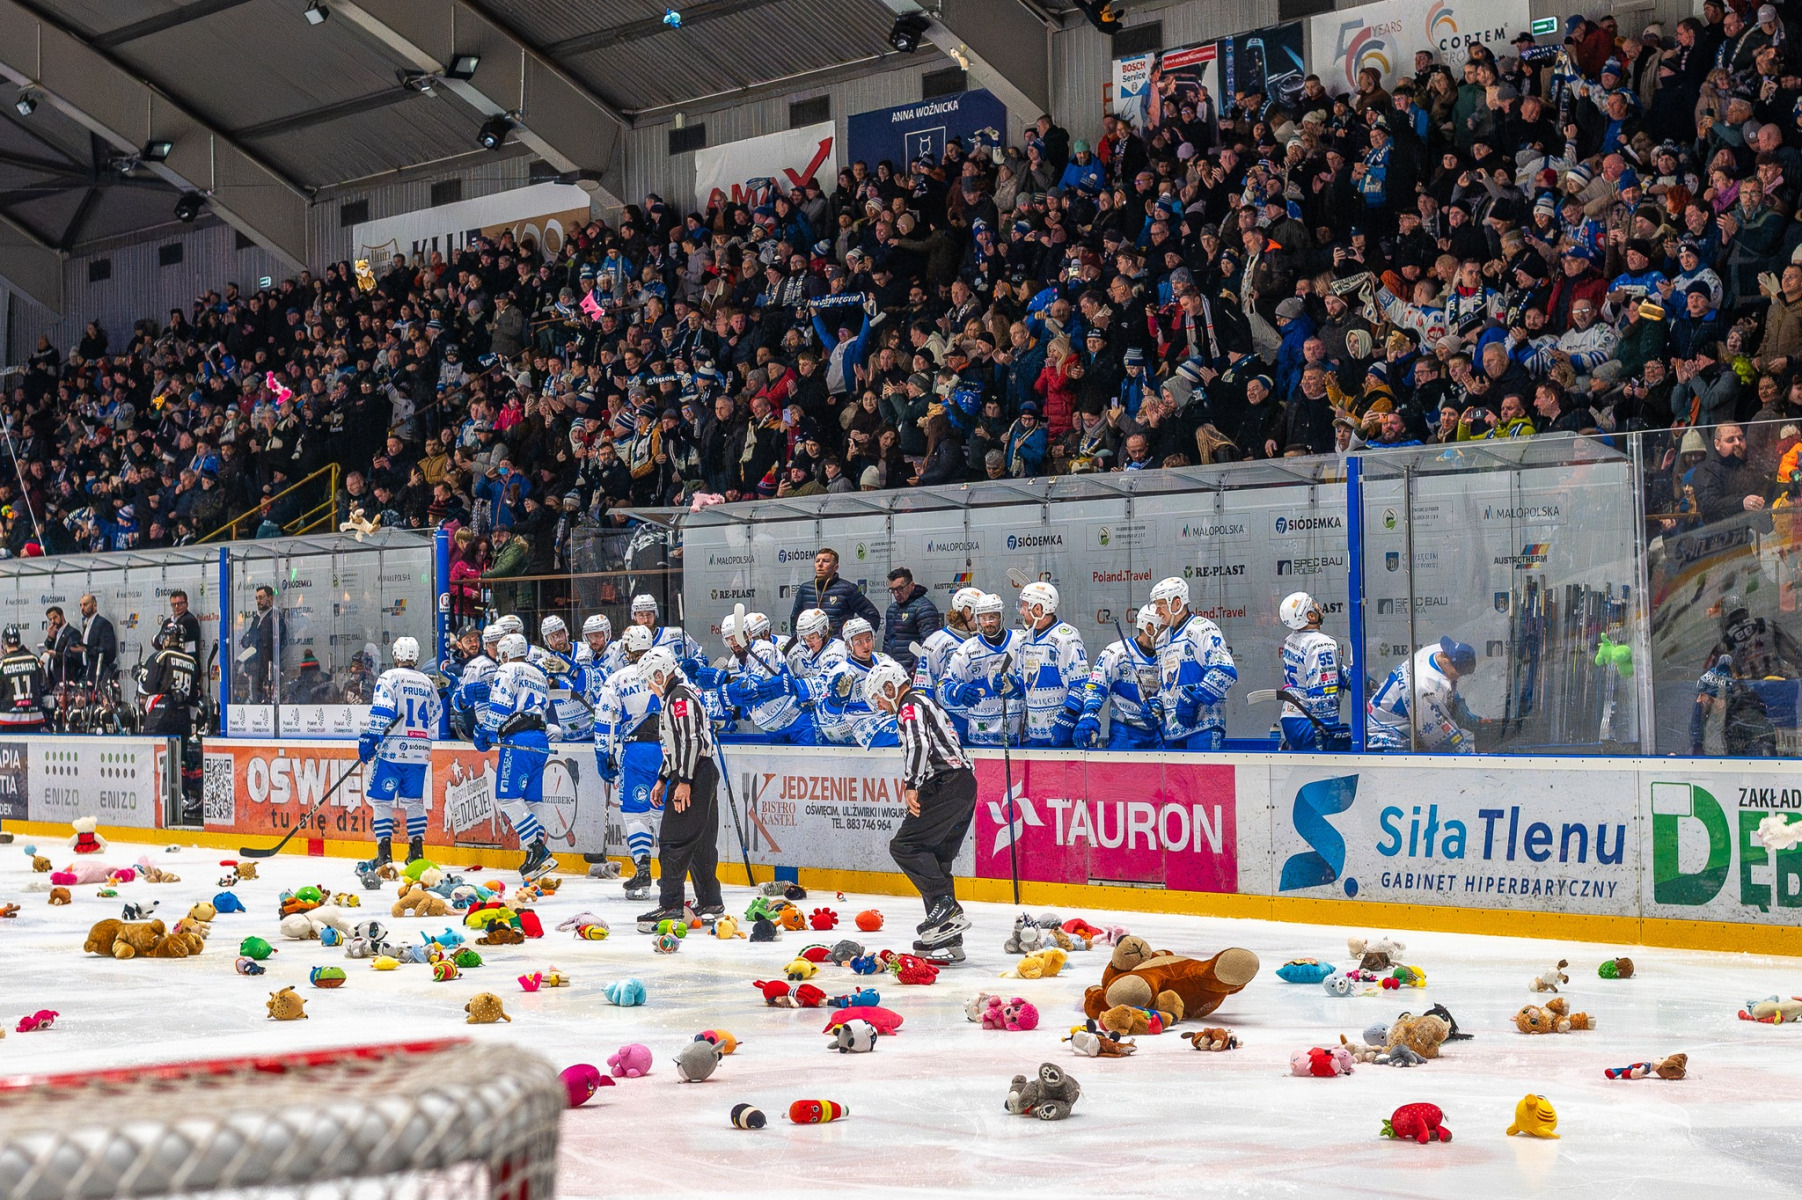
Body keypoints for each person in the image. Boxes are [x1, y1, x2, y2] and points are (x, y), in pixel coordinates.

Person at [868, 658, 976, 962]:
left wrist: (911, 784)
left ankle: (946, 907)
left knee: (905, 846)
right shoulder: (926, 702)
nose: (879, 706)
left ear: (889, 688)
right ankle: (948, 936)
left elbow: (919, 745)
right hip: (963, 785)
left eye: (878, 697)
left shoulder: (909, 705)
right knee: (937, 859)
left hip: (944, 784)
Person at [637, 646, 725, 925]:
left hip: (694, 774)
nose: (649, 687)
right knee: (700, 843)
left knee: (673, 841)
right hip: (698, 772)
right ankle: (710, 901)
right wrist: (663, 778)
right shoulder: (677, 696)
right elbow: (675, 746)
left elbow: (691, 741)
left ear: (659, 675)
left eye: (649, 681)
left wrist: (684, 781)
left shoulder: (679, 698)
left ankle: (671, 905)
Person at [473, 631, 557, 882]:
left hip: (518, 740)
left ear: (506, 653)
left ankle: (537, 850)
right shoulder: (539, 674)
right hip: (540, 739)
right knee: (532, 801)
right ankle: (536, 858)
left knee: (508, 798)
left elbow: (500, 705)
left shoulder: (507, 669)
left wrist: (486, 730)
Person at [357, 636, 441, 869]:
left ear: (395, 656)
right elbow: (436, 713)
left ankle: (384, 854)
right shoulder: (427, 682)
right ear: (416, 656)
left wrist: (370, 737)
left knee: (381, 799)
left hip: (392, 752)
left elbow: (382, 711)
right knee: (413, 801)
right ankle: (416, 852)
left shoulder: (389, 677)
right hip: (419, 751)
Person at [594, 625, 662, 897]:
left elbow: (605, 721)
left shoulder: (618, 678)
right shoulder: (669, 670)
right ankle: (672, 872)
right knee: (664, 813)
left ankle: (643, 870)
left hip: (636, 753)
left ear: (626, 649)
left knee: (636, 814)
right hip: (668, 751)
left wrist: (604, 755)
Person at [1149, 576, 1237, 749]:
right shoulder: (1161, 640)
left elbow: (1224, 670)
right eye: (1155, 605)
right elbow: (1167, 685)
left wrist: (1195, 699)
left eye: (1161, 605)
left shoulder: (1202, 629)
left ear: (1177, 603)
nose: (1157, 611)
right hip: (1173, 732)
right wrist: (1157, 705)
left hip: (1203, 728)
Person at [1366, 637, 1480, 752]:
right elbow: (1439, 736)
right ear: (1446, 661)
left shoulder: (1437, 651)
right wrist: (1467, 754)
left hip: (1395, 717)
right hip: (1384, 735)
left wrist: (1473, 721)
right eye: (1455, 674)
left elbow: (1451, 697)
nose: (1457, 678)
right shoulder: (1424, 687)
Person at [940, 592, 1024, 747]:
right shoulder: (968, 649)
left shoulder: (1020, 641)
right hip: (981, 737)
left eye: (992, 617)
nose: (987, 623)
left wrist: (1018, 685)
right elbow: (943, 685)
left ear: (1001, 617)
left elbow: (1034, 680)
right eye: (982, 618)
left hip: (1018, 737)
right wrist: (956, 691)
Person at [1075, 607, 1165, 749]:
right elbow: (1095, 687)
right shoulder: (1116, 653)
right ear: (1149, 628)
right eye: (1164, 629)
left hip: (1159, 731)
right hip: (1125, 732)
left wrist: (1160, 707)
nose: (1168, 634)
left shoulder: (1168, 653)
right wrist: (1090, 712)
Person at [134, 619, 199, 815]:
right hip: (183, 715)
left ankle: (153, 797)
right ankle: (182, 796)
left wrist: (138, 673)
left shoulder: (161, 656)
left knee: (154, 755)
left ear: (166, 639)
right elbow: (194, 695)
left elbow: (147, 685)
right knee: (179, 758)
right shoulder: (192, 662)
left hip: (161, 712)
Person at [719, 610, 811, 743]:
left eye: (738, 636)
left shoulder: (765, 649)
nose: (735, 643)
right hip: (772, 730)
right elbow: (744, 701)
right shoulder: (733, 663)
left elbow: (753, 690)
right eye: (729, 639)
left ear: (749, 634)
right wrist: (736, 711)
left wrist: (723, 688)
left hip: (797, 722)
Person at [1014, 581, 1088, 748]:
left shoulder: (1066, 638)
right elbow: (1026, 684)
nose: (1021, 611)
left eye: (1025, 606)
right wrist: (1012, 685)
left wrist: (1068, 718)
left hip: (1061, 732)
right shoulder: (1026, 639)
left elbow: (1081, 683)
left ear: (1038, 609)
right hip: (1034, 733)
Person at [1277, 591, 1349, 750]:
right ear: (1310, 616)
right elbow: (1323, 689)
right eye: (1314, 605)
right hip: (1310, 723)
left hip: (1290, 719)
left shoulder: (1292, 639)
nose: (1318, 607)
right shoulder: (1321, 644)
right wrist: (1328, 729)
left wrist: (1365, 684)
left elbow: (1333, 671)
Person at [814, 617, 901, 747]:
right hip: (862, 727)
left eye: (868, 639)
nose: (866, 645)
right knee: (906, 729)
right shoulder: (841, 672)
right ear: (849, 645)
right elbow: (825, 716)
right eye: (859, 642)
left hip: (889, 716)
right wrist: (834, 703)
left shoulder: (885, 660)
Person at [914, 587, 981, 739]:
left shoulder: (978, 642)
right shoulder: (936, 643)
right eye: (978, 614)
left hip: (978, 724)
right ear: (966, 612)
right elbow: (923, 690)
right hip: (950, 725)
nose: (981, 620)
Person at [786, 547, 881, 637]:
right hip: (811, 645)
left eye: (826, 561)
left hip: (838, 645)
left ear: (835, 567)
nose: (820, 564)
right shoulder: (805, 589)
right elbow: (795, 618)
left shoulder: (847, 589)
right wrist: (799, 641)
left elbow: (872, 615)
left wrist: (858, 639)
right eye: (817, 561)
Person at [531, 615, 594, 742]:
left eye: (559, 634)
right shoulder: (544, 662)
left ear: (566, 632)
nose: (558, 639)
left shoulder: (586, 650)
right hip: (566, 734)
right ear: (546, 641)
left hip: (592, 728)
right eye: (552, 637)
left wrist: (568, 672)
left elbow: (592, 684)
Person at [449, 621, 506, 739]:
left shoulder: (495, 662)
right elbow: (451, 701)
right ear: (459, 645)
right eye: (468, 641)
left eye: (476, 639)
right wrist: (462, 697)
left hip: (500, 727)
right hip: (471, 730)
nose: (474, 644)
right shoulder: (453, 670)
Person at [882, 567, 941, 671]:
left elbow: (928, 645)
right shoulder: (891, 610)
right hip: (893, 670)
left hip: (914, 671)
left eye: (900, 589)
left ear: (911, 586)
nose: (896, 594)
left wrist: (915, 669)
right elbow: (887, 642)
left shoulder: (924, 608)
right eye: (892, 590)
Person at [626, 593, 704, 672]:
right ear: (634, 616)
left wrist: (696, 664)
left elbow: (701, 658)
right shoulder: (627, 643)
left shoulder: (676, 635)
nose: (646, 620)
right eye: (641, 615)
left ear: (655, 614)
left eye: (649, 614)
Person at [237, 584, 277, 704]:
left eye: (261, 597)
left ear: (270, 598)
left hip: (268, 670)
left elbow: (272, 643)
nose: (258, 601)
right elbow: (246, 641)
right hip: (256, 670)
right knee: (256, 700)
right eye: (256, 598)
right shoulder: (256, 620)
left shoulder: (275, 618)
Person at [76, 594, 116, 687]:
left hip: (98, 675)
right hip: (86, 672)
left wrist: (86, 649)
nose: (82, 608)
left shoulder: (103, 624)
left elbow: (109, 652)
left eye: (85, 604)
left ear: (94, 605)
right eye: (80, 605)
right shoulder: (86, 625)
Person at [40, 605, 80, 693]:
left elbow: (72, 657)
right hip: (54, 681)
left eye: (55, 618)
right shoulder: (55, 633)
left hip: (67, 679)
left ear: (62, 616)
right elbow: (47, 648)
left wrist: (55, 655)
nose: (53, 622)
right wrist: (50, 638)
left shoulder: (73, 633)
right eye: (50, 619)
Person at [167, 589, 202, 660]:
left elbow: (176, 635)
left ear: (186, 604)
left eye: (180, 603)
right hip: (171, 662)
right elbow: (158, 641)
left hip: (188, 662)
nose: (176, 606)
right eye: (173, 604)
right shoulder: (167, 622)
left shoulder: (190, 620)